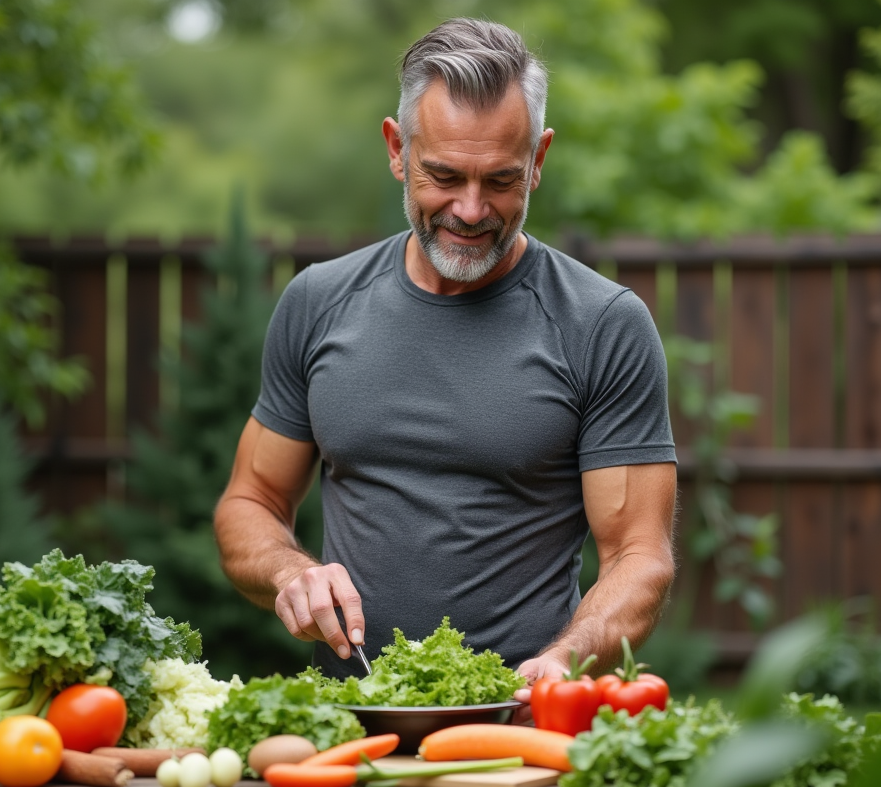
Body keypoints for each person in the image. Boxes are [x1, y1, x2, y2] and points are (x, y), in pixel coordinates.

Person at [213, 18, 676, 695]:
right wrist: (289, 571)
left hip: (520, 725)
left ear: (539, 161)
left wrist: (566, 658)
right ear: (397, 149)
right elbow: (249, 501)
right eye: (445, 175)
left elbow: (640, 556)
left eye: (500, 180)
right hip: (353, 721)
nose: (469, 208)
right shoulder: (318, 302)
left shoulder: (602, 324)